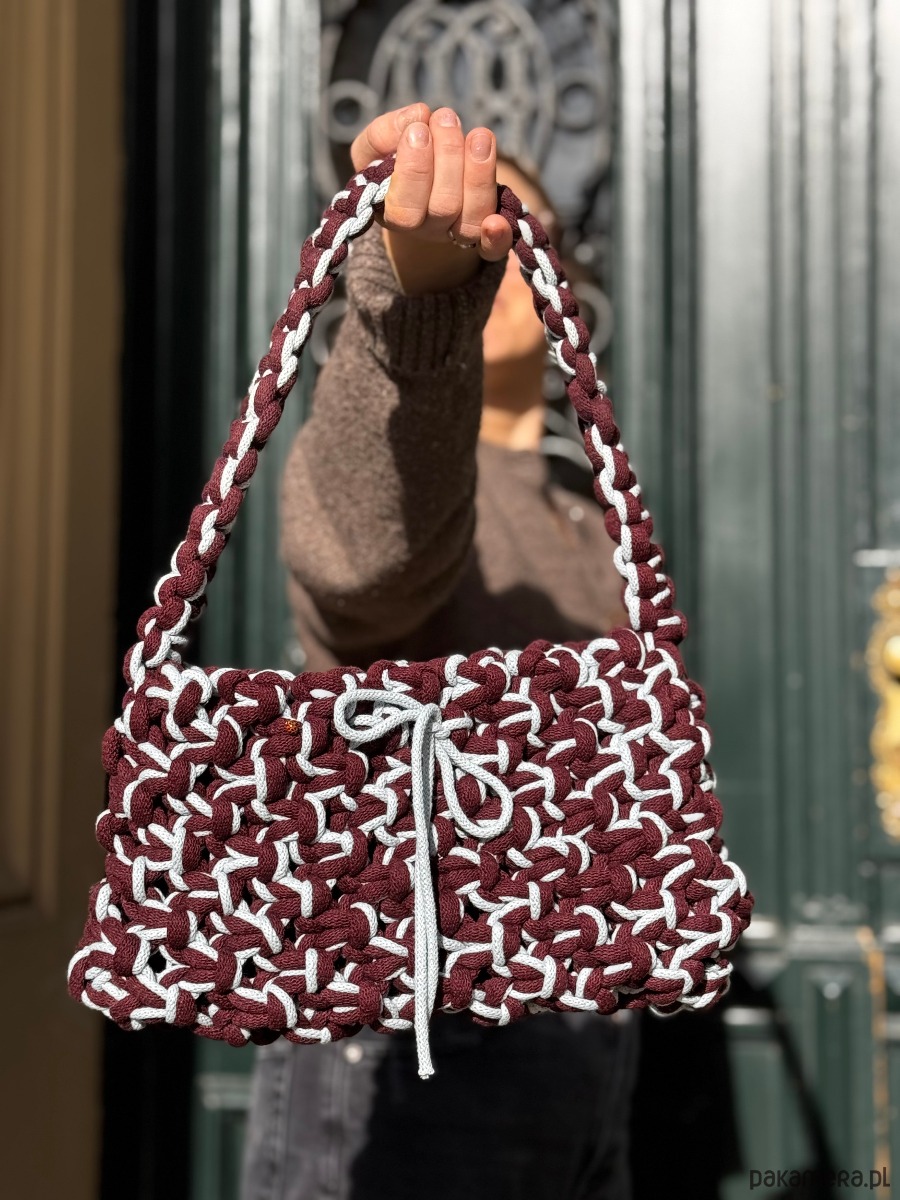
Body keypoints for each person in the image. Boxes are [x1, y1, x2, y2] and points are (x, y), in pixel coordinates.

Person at [239, 101, 639, 1200]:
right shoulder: (408, 466)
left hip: (583, 1042)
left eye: (514, 235)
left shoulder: (588, 516)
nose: (493, 257)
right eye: (475, 231)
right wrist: (417, 297)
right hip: (412, 1038)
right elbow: (368, 559)